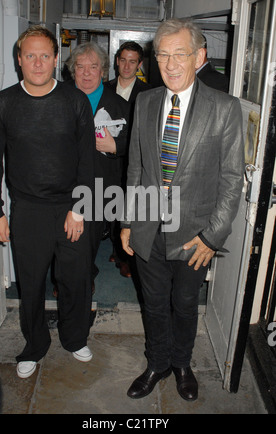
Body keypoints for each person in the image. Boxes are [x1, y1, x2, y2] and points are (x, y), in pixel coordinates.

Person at [121, 18, 244, 401]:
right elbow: (136, 167)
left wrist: (212, 236)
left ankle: (182, 363)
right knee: (153, 302)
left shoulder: (224, 108)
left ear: (199, 57)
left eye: (180, 55)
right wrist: (127, 221)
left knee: (186, 304)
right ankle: (157, 362)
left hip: (194, 235)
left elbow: (231, 179)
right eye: (163, 56)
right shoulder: (144, 101)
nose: (171, 65)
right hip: (147, 227)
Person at [0, 26, 96, 379]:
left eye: (45, 55)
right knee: (30, 284)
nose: (38, 62)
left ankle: (75, 338)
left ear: (56, 59)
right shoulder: (2, 104)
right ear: (19, 60)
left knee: (76, 280)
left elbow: (87, 160)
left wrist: (79, 208)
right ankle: (34, 346)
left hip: (70, 207)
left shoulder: (74, 101)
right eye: (30, 55)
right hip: (27, 210)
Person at [66, 42, 130, 286]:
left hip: (98, 187)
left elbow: (136, 144)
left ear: (103, 71)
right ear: (73, 72)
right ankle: (68, 280)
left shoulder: (120, 105)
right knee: (63, 240)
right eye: (80, 67)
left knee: (87, 239)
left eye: (93, 67)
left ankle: (84, 278)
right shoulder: (59, 98)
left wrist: (115, 147)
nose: (86, 73)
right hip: (62, 184)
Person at [105, 41, 152, 278]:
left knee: (129, 208)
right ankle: (116, 248)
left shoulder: (148, 93)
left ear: (139, 65)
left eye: (132, 61)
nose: (126, 65)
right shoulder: (104, 88)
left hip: (133, 161)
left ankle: (126, 258)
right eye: (123, 60)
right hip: (105, 159)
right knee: (110, 209)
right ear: (116, 60)